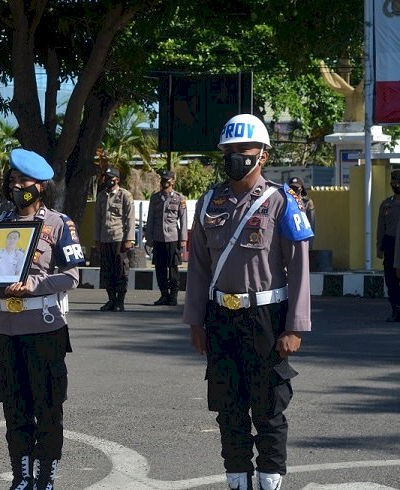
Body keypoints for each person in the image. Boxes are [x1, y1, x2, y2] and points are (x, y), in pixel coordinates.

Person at [183, 114, 313, 490]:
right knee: (229, 406)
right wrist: (196, 322)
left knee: (269, 406)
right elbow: (199, 269)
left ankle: (270, 481)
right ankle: (237, 480)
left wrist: (294, 327)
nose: (235, 156)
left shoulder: (281, 201)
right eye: (229, 151)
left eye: (243, 150)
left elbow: (300, 267)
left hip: (266, 318)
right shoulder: (209, 201)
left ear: (263, 155)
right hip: (220, 316)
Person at [0, 148, 84, 490]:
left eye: (25, 180)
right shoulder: (1, 224)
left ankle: (45, 476)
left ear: (41, 185)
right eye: (13, 180)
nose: (18, 186)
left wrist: (33, 284)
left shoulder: (59, 224)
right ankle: (21, 475)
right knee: (15, 406)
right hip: (6, 329)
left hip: (44, 326)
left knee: (48, 407)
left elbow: (72, 275)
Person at [94, 167, 135, 312]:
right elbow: (98, 220)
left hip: (119, 238)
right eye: (105, 177)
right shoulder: (101, 196)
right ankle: (111, 299)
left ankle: (120, 301)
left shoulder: (125, 195)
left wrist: (129, 239)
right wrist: (97, 239)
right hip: (105, 239)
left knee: (121, 270)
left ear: (117, 180)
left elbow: (130, 219)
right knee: (107, 270)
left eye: (110, 178)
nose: (107, 180)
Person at [144, 170, 187, 306]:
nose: (164, 182)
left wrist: (183, 239)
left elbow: (183, 220)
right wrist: (148, 237)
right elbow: (150, 219)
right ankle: (164, 295)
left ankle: (173, 296)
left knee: (173, 268)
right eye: (163, 179)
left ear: (173, 181)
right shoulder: (155, 198)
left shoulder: (180, 198)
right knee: (160, 268)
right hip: (158, 238)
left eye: (167, 179)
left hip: (173, 238)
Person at [378, 169, 400, 322]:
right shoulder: (386, 204)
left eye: (398, 183)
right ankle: (396, 310)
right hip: (390, 245)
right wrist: (379, 247)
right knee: (391, 280)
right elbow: (381, 227)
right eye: (394, 183)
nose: (396, 185)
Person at [287, 177, 316, 250]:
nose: (294, 190)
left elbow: (311, 223)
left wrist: (310, 243)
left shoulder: (307, 203)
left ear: (301, 188)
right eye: (292, 188)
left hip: (302, 238)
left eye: (296, 188)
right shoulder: (286, 202)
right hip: (288, 239)